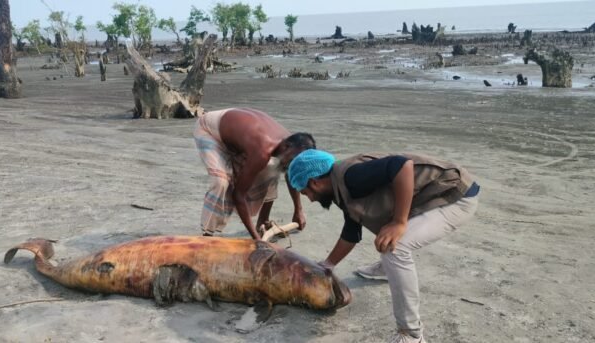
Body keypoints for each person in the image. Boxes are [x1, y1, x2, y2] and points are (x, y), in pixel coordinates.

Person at [287, 149, 480, 343]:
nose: (310, 199)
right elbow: (351, 233)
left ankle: (411, 334)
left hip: (455, 196)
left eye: (305, 192)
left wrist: (399, 222)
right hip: (430, 198)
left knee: (395, 248)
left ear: (315, 182)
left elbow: (401, 165)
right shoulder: (341, 188)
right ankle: (389, 269)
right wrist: (327, 265)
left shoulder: (351, 176)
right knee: (382, 225)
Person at [193, 108, 315, 240]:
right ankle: (207, 235)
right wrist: (256, 239)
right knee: (221, 182)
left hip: (237, 135)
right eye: (292, 160)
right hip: (210, 130)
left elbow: (291, 173)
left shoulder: (292, 143)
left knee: (272, 167)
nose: (291, 164)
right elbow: (239, 195)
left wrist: (298, 210)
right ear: (286, 147)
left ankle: (263, 221)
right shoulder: (263, 150)